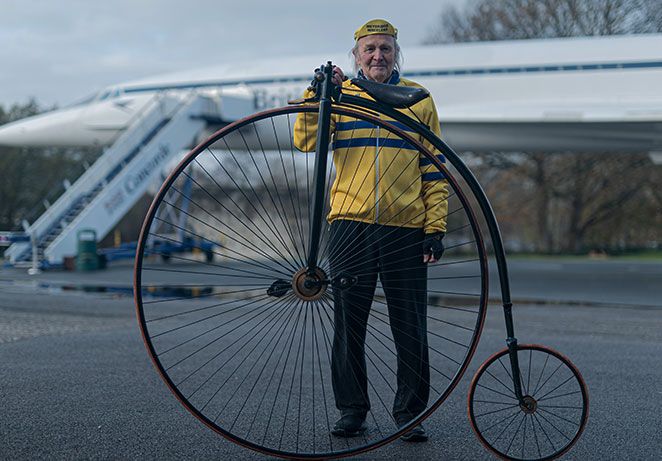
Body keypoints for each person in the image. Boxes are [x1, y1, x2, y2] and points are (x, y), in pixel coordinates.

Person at [293, 19, 448, 442]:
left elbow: (434, 168)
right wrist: (318, 93)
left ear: (396, 53)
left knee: (410, 325)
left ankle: (409, 414)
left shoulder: (418, 100)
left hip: (406, 227)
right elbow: (306, 140)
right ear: (356, 55)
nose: (378, 56)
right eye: (369, 49)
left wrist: (434, 228)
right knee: (349, 324)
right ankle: (352, 410)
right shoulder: (342, 95)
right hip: (350, 223)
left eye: (385, 48)